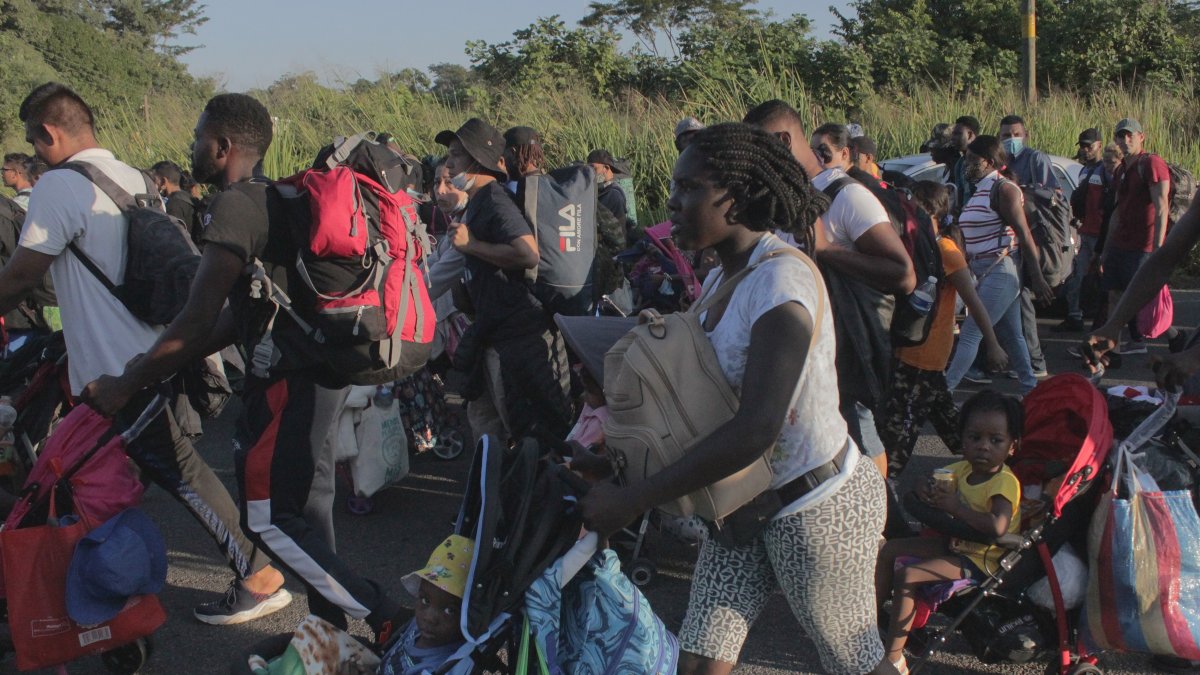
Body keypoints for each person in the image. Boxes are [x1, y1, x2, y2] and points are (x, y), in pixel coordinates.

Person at [81, 92, 408, 639]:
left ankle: (383, 613)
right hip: (319, 374)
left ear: (223, 145)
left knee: (268, 518)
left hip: (286, 381)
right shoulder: (279, 198)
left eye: (197, 137)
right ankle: (327, 636)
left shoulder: (235, 205)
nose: (192, 147)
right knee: (303, 510)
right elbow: (239, 317)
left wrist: (129, 380)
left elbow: (196, 316)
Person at [580, 122, 894, 675]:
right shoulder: (728, 278)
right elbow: (703, 407)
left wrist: (637, 499)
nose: (672, 203)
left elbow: (756, 429)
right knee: (699, 662)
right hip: (742, 507)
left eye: (689, 189)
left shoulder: (780, 285)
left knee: (856, 665)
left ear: (739, 196)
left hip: (816, 508)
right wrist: (614, 463)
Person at [1, 83, 289, 626]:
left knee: (178, 471)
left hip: (116, 370)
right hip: (153, 350)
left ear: (48, 133)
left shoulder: (58, 187)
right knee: (107, 468)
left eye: (33, 143)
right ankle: (87, 583)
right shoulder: (132, 178)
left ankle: (258, 574)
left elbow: (21, 276)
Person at [437, 118, 573, 443]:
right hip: (494, 334)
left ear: (477, 160)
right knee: (489, 429)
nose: (449, 162)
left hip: (520, 338)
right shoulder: (478, 203)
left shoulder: (495, 200)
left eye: (456, 154)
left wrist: (471, 246)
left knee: (530, 434)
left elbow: (528, 254)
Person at [876, 390, 1023, 675]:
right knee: (890, 550)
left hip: (983, 558)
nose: (983, 447)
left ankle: (893, 658)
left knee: (909, 574)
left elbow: (998, 527)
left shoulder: (1004, 483)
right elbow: (928, 478)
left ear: (1012, 446)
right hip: (955, 544)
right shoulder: (961, 469)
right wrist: (922, 486)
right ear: (962, 439)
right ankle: (866, 627)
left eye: (995, 440)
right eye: (974, 437)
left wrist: (955, 508)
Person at [809, 122, 917, 479]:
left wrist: (825, 251)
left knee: (860, 417)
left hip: (859, 327)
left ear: (846, 153)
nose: (818, 158)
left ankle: (880, 508)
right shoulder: (821, 190)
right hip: (841, 326)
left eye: (825, 152)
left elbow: (903, 274)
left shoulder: (851, 193)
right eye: (814, 152)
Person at [878, 182, 1007, 479]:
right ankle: (996, 475)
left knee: (899, 433)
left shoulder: (945, 249)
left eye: (913, 204)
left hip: (922, 356)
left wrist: (993, 343)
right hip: (915, 353)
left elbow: (973, 301)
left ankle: (887, 492)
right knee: (954, 428)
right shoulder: (918, 244)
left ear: (927, 210)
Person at [944, 135, 1054, 393]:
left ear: (989, 162)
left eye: (973, 160)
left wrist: (1037, 277)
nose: (967, 165)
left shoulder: (1003, 189)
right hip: (986, 272)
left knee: (972, 332)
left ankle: (945, 391)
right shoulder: (982, 189)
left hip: (1001, 270)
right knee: (1014, 335)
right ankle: (1030, 389)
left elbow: (1023, 234)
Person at [1100, 117, 1185, 355]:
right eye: (1120, 136)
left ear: (1141, 137)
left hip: (1144, 245)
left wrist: (1158, 248)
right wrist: (1106, 250)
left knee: (1142, 298)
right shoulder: (1121, 170)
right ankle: (1111, 351)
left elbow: (1161, 207)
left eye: (1130, 135)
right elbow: (1117, 212)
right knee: (1115, 295)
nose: (1125, 140)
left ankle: (1175, 335)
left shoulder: (1152, 164)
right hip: (1122, 243)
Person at [379, 535, 474, 675]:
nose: (429, 617)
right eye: (425, 600)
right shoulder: (420, 629)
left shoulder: (435, 668)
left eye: (450, 610)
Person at [1055, 128, 1107, 333]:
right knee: (1076, 275)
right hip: (1086, 232)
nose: (1085, 150)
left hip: (1101, 234)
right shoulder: (1084, 170)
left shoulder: (1107, 169)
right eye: (1083, 146)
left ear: (1099, 145)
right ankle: (1074, 315)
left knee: (1106, 280)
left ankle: (1110, 321)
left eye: (1089, 146)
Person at [150, 159, 202, 244]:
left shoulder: (173, 203)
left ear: (163, 182)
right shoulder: (189, 198)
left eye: (153, 181)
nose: (152, 186)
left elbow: (173, 239)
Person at [949, 115, 981, 211]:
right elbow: (960, 195)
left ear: (970, 135)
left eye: (958, 134)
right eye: (953, 134)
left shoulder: (983, 160)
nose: (953, 138)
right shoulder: (960, 163)